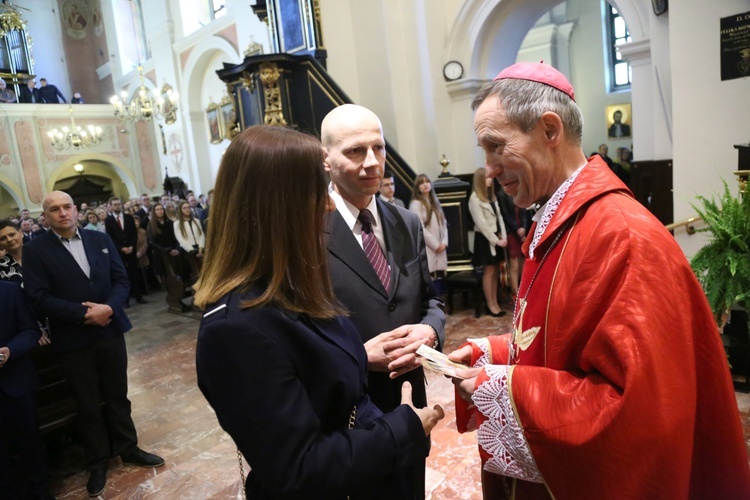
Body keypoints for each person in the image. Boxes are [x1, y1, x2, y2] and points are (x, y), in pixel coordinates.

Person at [448, 61, 750, 498]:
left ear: (550, 130)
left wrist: (504, 387)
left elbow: (638, 411)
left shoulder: (622, 235)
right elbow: (561, 337)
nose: (489, 168)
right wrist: (492, 351)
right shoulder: (559, 218)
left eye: (496, 146)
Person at [194, 125, 444, 499]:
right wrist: (404, 427)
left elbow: (314, 372)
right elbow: (300, 469)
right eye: (316, 192)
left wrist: (364, 356)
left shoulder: (294, 286)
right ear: (277, 207)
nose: (328, 205)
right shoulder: (233, 329)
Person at [322, 104, 446, 499]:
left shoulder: (404, 221)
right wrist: (357, 355)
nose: (372, 162)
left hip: (409, 406)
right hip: (348, 419)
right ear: (326, 159)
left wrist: (430, 330)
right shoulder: (307, 231)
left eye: (379, 148)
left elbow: (433, 302)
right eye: (356, 151)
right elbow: (296, 338)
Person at [23, 191, 164, 497]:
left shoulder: (99, 239)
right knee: (87, 404)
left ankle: (129, 448)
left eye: (67, 207)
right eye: (54, 209)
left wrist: (109, 309)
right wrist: (83, 314)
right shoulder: (36, 250)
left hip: (110, 330)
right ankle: (98, 461)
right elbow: (37, 297)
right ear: (45, 216)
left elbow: (121, 279)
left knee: (118, 395)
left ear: (76, 210)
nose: (63, 213)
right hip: (73, 338)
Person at [0, 281, 51, 499]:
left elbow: (30, 330)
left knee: (30, 443)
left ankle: (40, 493)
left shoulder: (9, 291)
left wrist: (9, 351)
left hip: (16, 382)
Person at [468, 167, 508, 317]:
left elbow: (500, 218)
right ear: (479, 180)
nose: (490, 179)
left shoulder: (492, 197)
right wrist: (496, 240)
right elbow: (481, 224)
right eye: (486, 177)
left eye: (489, 177)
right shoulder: (474, 198)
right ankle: (490, 305)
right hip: (485, 240)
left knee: (496, 270)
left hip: (497, 238)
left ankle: (496, 303)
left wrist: (503, 237)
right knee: (489, 271)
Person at [105, 197, 146, 305]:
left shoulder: (128, 217)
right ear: (111, 206)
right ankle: (126, 300)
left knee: (134, 274)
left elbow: (133, 234)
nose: (117, 206)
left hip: (131, 250)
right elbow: (110, 237)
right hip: (119, 252)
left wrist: (132, 246)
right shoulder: (108, 220)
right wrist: (120, 248)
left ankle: (138, 296)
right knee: (123, 275)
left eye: (118, 204)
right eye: (114, 204)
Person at [409, 174, 449, 278]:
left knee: (440, 276)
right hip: (428, 247)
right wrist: (435, 245)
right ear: (418, 187)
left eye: (427, 181)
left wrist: (444, 242)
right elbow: (420, 227)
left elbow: (444, 223)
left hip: (441, 246)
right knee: (431, 276)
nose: (425, 184)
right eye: (422, 183)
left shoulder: (435, 202)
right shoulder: (415, 204)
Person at [174, 200, 204, 283]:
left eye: (188, 207)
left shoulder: (196, 221)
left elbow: (201, 235)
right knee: (193, 271)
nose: (187, 210)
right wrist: (191, 250)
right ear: (180, 210)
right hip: (188, 251)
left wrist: (200, 248)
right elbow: (181, 240)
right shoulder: (177, 223)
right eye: (184, 208)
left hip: (199, 248)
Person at [0, 220, 24, 284]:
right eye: (3, 238)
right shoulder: (1, 267)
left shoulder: (39, 255)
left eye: (12, 235)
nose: (9, 240)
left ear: (21, 233)